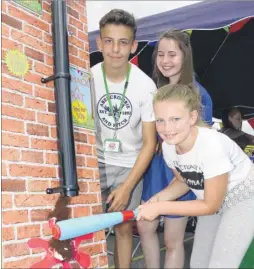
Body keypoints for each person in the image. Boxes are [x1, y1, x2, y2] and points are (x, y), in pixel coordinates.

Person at [137, 84, 254, 268]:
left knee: (220, 264)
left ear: (192, 117)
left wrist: (160, 207)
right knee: (198, 262)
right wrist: (157, 198)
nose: (167, 128)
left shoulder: (211, 145)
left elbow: (210, 205)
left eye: (175, 119)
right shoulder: (169, 147)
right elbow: (184, 181)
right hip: (212, 198)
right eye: (160, 120)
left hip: (243, 199)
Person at [137, 29, 213, 269]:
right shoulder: (152, 92)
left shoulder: (200, 95)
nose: (166, 61)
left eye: (172, 54)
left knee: (172, 241)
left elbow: (203, 143)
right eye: (161, 55)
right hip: (155, 168)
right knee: (144, 226)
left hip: (182, 173)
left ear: (185, 56)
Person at [91, 9, 157, 268]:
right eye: (109, 41)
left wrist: (128, 186)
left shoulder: (145, 86)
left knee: (123, 227)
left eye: (122, 42)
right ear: (99, 43)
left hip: (130, 165)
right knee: (88, 225)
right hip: (94, 163)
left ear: (133, 46)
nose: (115, 49)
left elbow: (150, 143)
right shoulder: (87, 78)